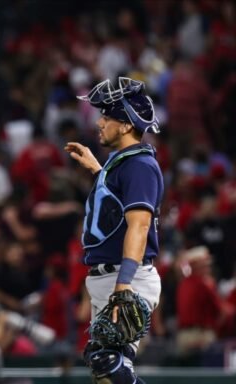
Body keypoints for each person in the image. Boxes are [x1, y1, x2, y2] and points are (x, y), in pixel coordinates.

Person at [64, 77, 163, 384]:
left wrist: (124, 284)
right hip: (109, 276)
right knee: (104, 365)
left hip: (126, 276)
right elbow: (116, 208)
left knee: (108, 363)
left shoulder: (139, 166)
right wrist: (98, 170)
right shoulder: (120, 163)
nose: (100, 122)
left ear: (125, 125)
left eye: (107, 116)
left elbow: (140, 225)